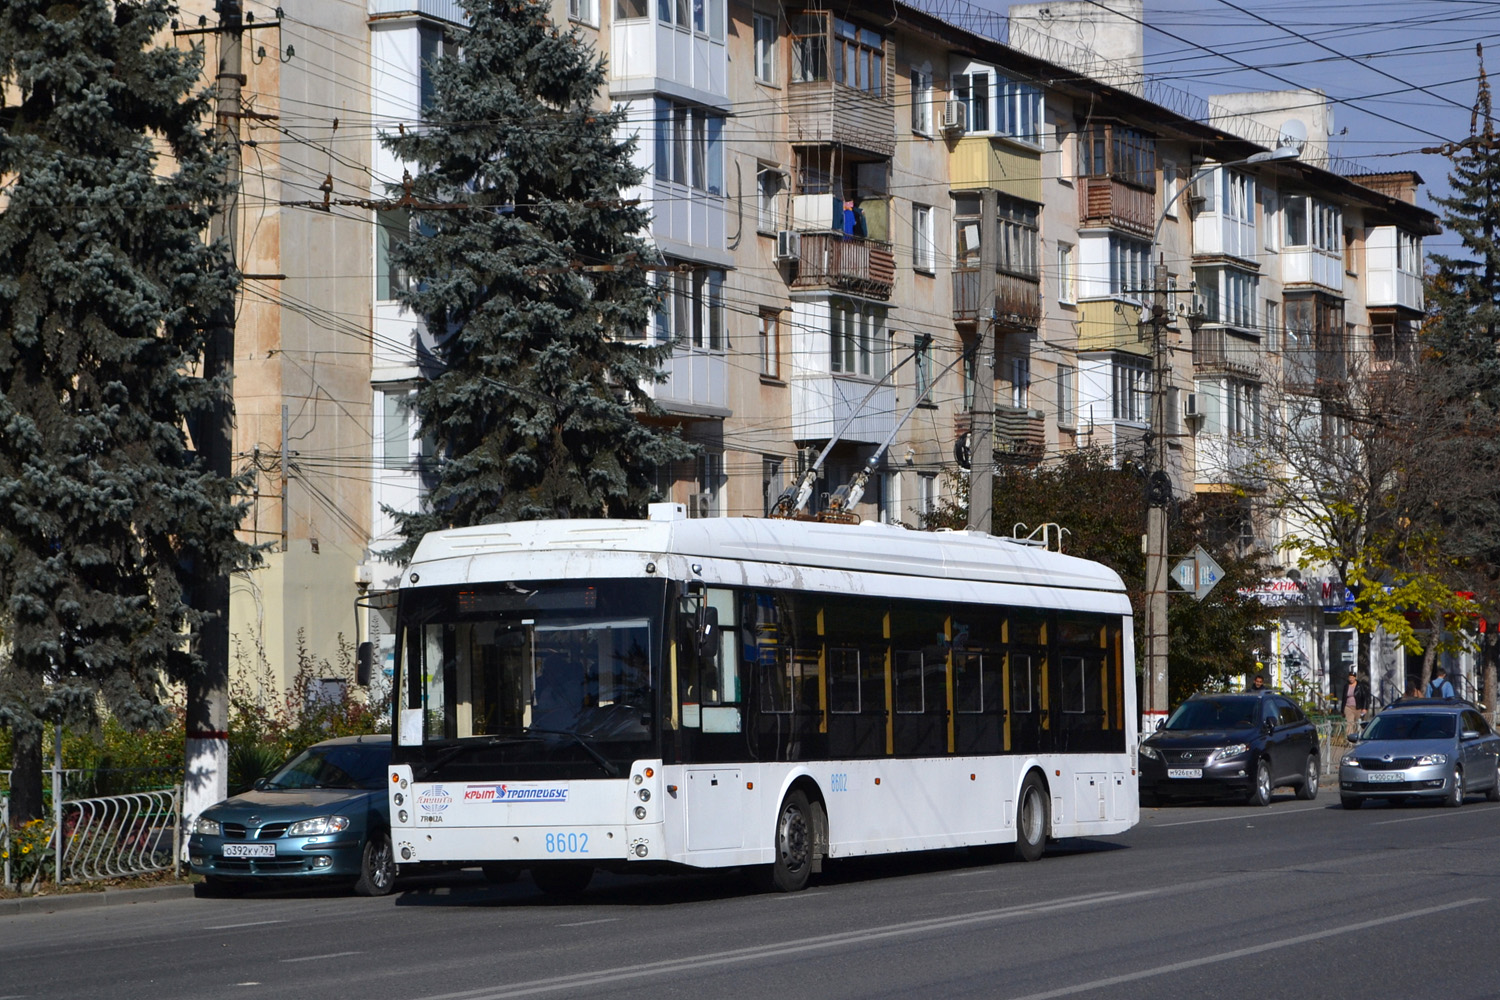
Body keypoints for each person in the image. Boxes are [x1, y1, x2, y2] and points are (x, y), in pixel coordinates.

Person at [1337, 669, 1369, 737]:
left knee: (1358, 724)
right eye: (1350, 677)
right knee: (1349, 723)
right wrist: (1342, 710)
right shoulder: (1346, 686)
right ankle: (1350, 739)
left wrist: (1364, 708)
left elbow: (1365, 697)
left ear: (1355, 678)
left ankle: (1359, 737)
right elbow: (1344, 698)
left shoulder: (1360, 686)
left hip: (1358, 707)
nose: (1351, 679)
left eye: (1352, 677)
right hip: (1348, 707)